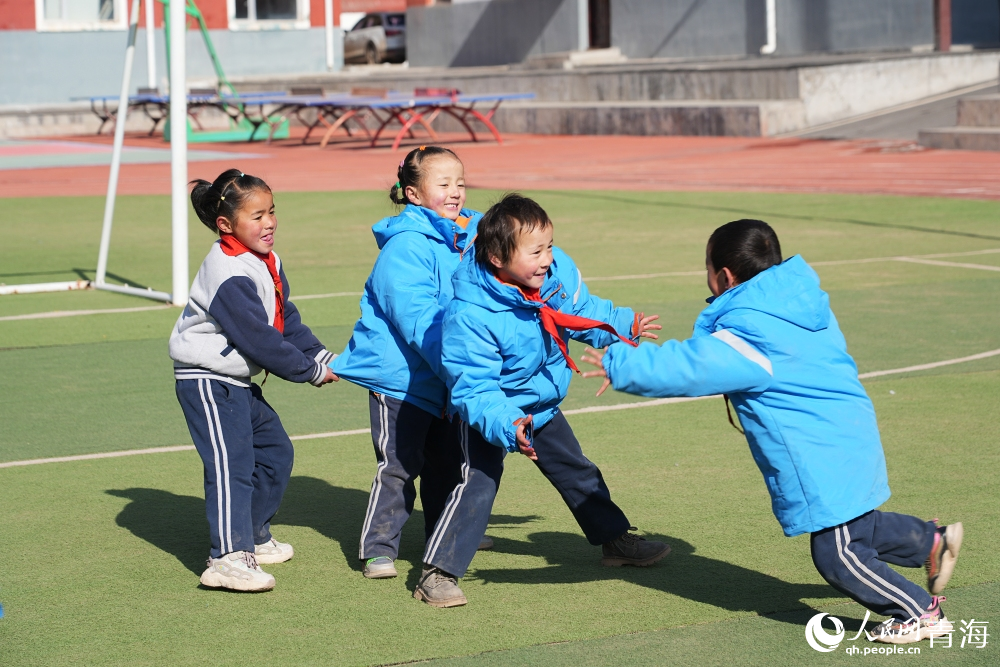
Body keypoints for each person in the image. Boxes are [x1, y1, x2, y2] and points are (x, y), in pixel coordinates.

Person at [582, 218, 963, 644]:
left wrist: (621, 363)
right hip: (848, 430)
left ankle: (918, 612)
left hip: (818, 450)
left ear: (724, 275)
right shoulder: (795, 303)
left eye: (706, 268)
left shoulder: (750, 331)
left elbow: (691, 366)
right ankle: (930, 541)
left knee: (836, 553)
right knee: (857, 526)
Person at [431, 193, 672, 608]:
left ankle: (615, 542)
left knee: (579, 473)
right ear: (496, 257)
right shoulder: (471, 314)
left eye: (549, 246)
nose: (546, 258)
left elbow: (580, 311)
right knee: (477, 487)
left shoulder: (549, 280)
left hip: (540, 408)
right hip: (494, 415)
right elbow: (474, 387)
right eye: (535, 250)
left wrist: (621, 324)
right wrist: (507, 424)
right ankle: (439, 573)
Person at [170, 169, 337, 592]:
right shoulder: (226, 271)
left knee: (275, 452)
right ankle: (227, 557)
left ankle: (253, 535)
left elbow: (284, 321)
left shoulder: (268, 261)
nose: (269, 222)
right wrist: (309, 372)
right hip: (207, 379)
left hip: (238, 381)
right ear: (225, 224)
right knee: (231, 465)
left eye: (272, 211)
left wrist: (319, 354)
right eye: (257, 215)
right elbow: (260, 340)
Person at [331, 146, 491, 588]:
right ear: (413, 194)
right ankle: (378, 548)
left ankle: (444, 534)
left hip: (442, 377)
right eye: (443, 185)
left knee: (448, 461)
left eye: (460, 182)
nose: (455, 192)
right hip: (401, 380)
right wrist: (461, 368)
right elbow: (419, 320)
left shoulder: (470, 234)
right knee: (400, 465)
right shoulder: (404, 248)